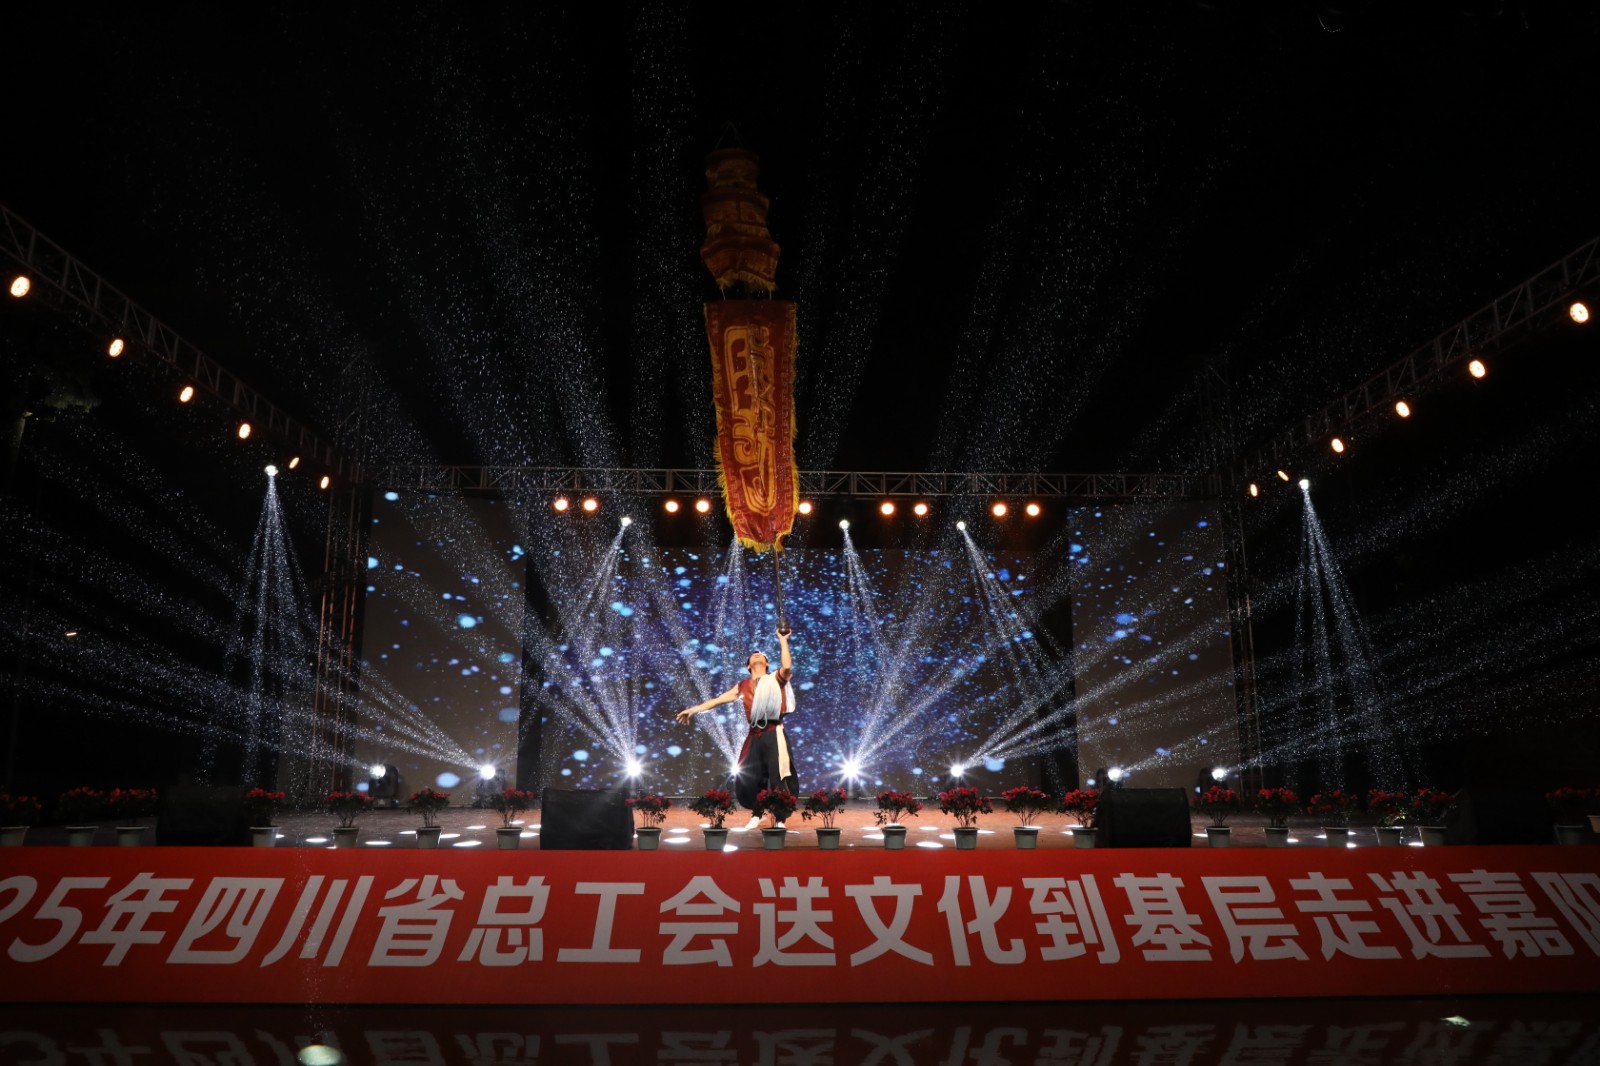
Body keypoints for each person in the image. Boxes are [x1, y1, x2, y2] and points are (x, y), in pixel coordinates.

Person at [677, 627, 799, 828]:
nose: (757, 654)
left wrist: (783, 640)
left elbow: (786, 666)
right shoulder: (742, 685)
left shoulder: (775, 679)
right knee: (751, 775)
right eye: (753, 654)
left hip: (773, 732)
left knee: (778, 774)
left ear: (767, 663)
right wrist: (693, 710)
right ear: (748, 665)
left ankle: (779, 817)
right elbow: (717, 700)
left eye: (761, 654)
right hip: (755, 734)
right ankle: (757, 813)